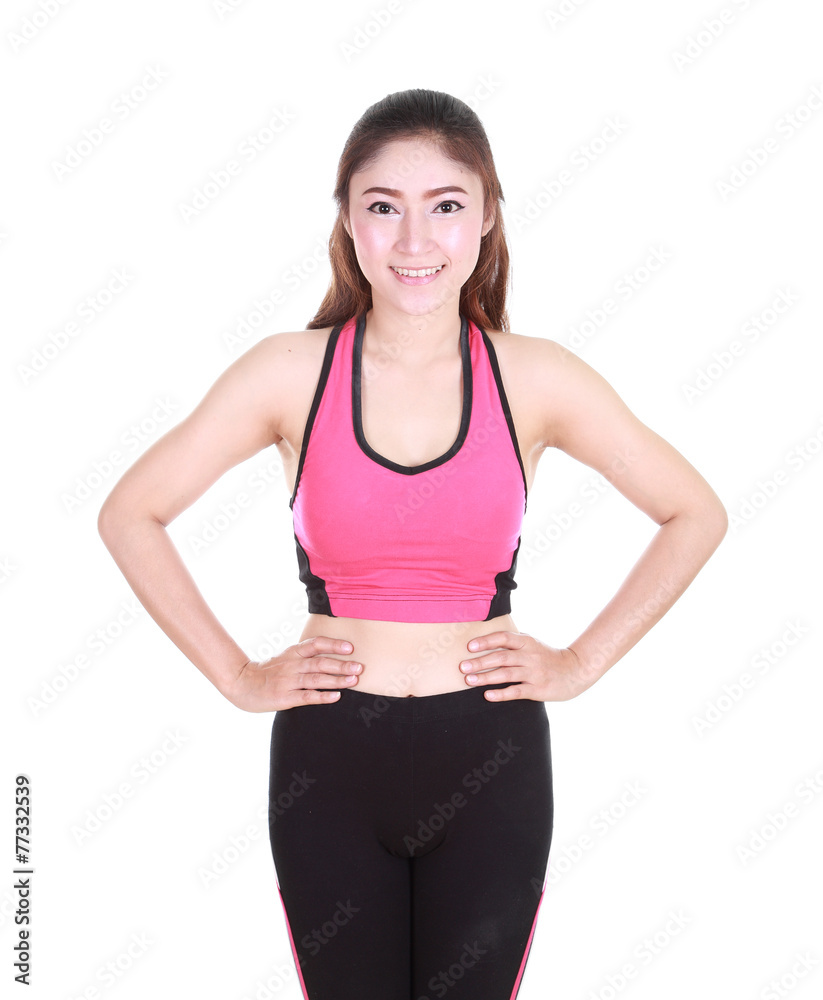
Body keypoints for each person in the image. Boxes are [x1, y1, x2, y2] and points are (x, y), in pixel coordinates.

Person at [98, 88, 728, 999]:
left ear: (485, 219)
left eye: (445, 207)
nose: (413, 241)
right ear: (348, 223)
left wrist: (582, 661)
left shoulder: (536, 377)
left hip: (491, 758)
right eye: (382, 208)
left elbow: (693, 511)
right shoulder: (288, 371)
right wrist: (238, 678)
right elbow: (130, 512)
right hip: (328, 760)